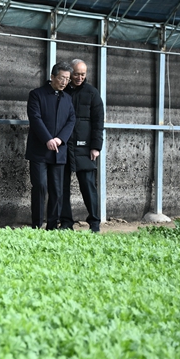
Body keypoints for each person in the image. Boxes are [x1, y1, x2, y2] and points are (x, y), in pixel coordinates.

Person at [26, 62, 76, 230]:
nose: (64, 82)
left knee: (57, 189)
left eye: (67, 79)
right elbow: (35, 118)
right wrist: (48, 139)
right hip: (39, 150)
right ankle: (37, 224)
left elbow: (71, 120)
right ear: (52, 77)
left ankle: (52, 226)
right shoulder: (36, 95)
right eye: (62, 78)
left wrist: (60, 139)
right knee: (40, 186)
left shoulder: (68, 99)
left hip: (59, 151)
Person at [60, 59, 105, 232]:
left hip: (84, 147)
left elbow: (98, 122)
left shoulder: (92, 93)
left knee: (88, 186)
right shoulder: (62, 91)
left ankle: (94, 223)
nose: (79, 77)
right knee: (61, 187)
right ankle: (65, 223)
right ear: (70, 73)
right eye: (77, 74)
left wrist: (96, 146)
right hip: (64, 145)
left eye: (83, 74)